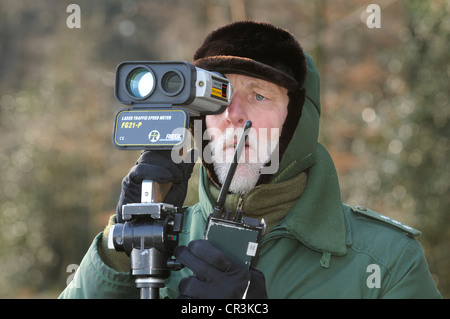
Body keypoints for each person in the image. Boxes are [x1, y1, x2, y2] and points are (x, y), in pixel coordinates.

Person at [59, 21, 441, 299]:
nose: (233, 114)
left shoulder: (387, 261)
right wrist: (122, 248)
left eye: (259, 96)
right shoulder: (156, 241)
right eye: (218, 96)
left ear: (299, 122)